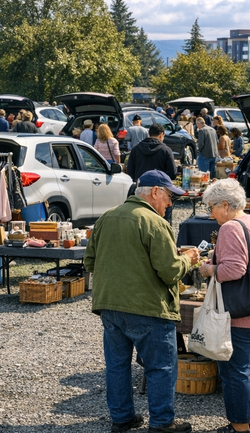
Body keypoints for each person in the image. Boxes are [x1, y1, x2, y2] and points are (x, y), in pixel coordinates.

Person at [84, 170, 198, 433]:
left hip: (110, 306)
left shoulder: (107, 217)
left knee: (117, 366)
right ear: (155, 192)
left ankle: (122, 418)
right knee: (160, 367)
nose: (170, 203)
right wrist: (188, 259)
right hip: (148, 308)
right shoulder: (155, 223)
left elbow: (90, 262)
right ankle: (161, 423)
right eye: (169, 196)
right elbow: (169, 271)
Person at [199, 179, 250, 433]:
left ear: (225, 204)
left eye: (211, 207)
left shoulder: (231, 227)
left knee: (236, 372)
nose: (210, 213)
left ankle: (239, 427)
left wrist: (209, 269)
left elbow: (234, 269)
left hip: (242, 312)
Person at [127, 123, 177, 222]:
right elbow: (172, 173)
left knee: (140, 222)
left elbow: (130, 172)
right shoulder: (166, 150)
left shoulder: (136, 149)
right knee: (163, 223)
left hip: (141, 192)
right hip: (160, 193)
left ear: (149, 134)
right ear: (161, 134)